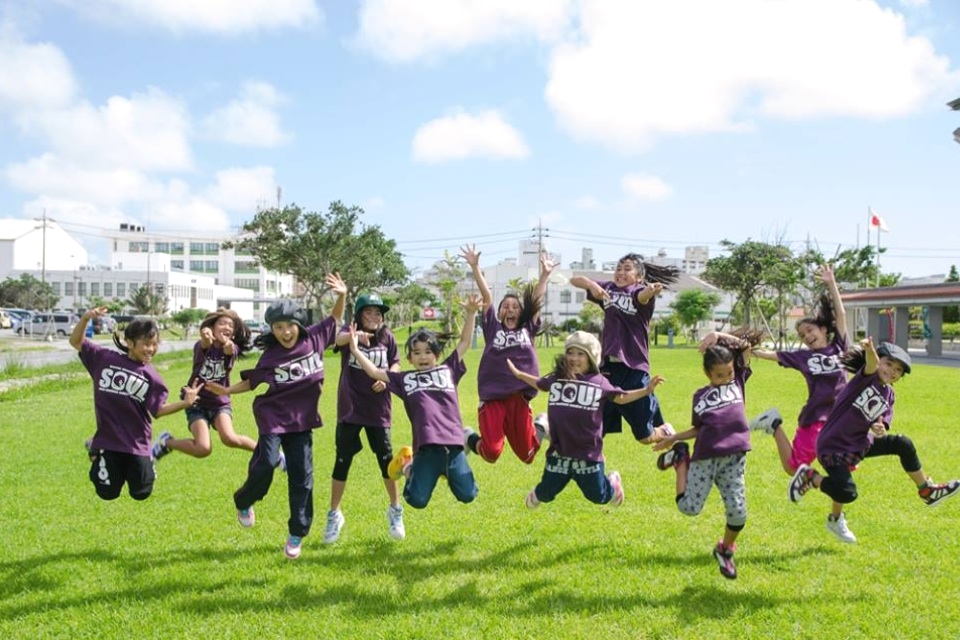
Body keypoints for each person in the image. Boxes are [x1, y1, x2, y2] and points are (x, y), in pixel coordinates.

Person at [205, 274, 347, 560]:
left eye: (289, 326)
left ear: (299, 325)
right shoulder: (270, 356)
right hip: (272, 416)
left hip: (302, 421)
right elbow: (252, 382)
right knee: (267, 463)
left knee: (302, 477)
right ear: (272, 329)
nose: (285, 332)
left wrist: (342, 295)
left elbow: (334, 318)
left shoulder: (315, 338)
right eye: (278, 327)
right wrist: (227, 389)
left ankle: (297, 533)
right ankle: (244, 500)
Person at [346, 294, 483, 522]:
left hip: (453, 446)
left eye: (428, 352)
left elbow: (464, 342)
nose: (423, 357)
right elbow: (374, 372)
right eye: (416, 353)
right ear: (409, 358)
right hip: (426, 449)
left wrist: (471, 313)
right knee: (416, 499)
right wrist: (355, 349)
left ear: (436, 355)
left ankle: (459, 448)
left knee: (469, 495)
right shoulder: (405, 379)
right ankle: (407, 463)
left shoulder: (447, 370)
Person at [788, 338, 960, 518]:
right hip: (833, 445)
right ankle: (810, 477)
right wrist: (870, 349)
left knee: (903, 443)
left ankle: (926, 490)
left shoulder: (889, 394)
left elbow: (882, 421)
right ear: (879, 361)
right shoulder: (866, 377)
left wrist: (880, 427)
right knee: (847, 493)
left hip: (857, 443)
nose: (892, 371)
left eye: (898, 370)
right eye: (889, 364)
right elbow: (872, 363)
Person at [749, 264, 855, 542]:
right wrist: (746, 350)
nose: (807, 337)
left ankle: (836, 519)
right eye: (803, 335)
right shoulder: (803, 357)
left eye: (810, 331)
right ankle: (774, 425)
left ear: (823, 329)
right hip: (816, 420)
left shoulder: (840, 347)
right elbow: (772, 356)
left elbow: (841, 314)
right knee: (792, 467)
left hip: (841, 423)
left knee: (842, 474)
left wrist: (831, 283)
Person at [507, 330, 664, 510]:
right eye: (570, 352)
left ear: (590, 358)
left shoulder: (599, 382)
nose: (574, 358)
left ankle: (613, 483)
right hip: (560, 452)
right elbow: (540, 384)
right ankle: (547, 425)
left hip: (588, 455)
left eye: (580, 354)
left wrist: (646, 391)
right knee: (546, 492)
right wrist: (519, 375)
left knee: (598, 496)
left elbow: (620, 397)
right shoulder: (558, 378)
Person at [654, 329, 762, 580]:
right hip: (705, 458)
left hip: (734, 460)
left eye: (729, 373)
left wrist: (717, 335)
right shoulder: (700, 397)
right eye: (719, 375)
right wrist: (674, 439)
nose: (726, 378)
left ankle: (725, 549)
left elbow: (745, 347)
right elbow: (698, 429)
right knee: (689, 508)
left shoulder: (737, 383)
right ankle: (681, 459)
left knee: (738, 513)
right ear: (708, 374)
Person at [71, 307, 201, 502]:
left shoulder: (152, 377)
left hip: (137, 442)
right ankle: (96, 450)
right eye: (146, 344)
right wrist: (86, 318)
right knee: (107, 493)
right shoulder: (104, 359)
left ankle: (150, 456)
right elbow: (76, 341)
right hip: (109, 440)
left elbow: (158, 411)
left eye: (155, 344)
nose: (151, 349)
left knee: (141, 492)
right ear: (129, 342)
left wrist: (186, 403)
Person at [570, 253, 679, 445]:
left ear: (639, 276)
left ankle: (664, 431)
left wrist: (650, 291)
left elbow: (642, 297)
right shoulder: (608, 288)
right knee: (595, 429)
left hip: (633, 368)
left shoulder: (638, 290)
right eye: (618, 269)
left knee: (645, 437)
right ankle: (593, 463)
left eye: (627, 269)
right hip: (607, 369)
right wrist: (591, 285)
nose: (620, 272)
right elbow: (574, 280)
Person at [459, 243, 554, 464]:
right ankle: (468, 437)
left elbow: (536, 300)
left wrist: (545, 275)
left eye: (515, 307)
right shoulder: (493, 327)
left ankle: (541, 424)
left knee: (528, 456)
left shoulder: (527, 328)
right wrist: (475, 267)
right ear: (499, 312)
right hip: (493, 398)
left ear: (522, 313)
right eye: (505, 306)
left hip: (519, 398)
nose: (510, 309)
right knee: (491, 453)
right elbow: (487, 296)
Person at [324, 292, 404, 544]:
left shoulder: (387, 336)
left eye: (378, 313)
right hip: (350, 408)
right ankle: (334, 514)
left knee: (386, 460)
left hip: (378, 409)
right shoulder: (349, 332)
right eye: (368, 312)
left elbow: (396, 363)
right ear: (359, 315)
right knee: (342, 460)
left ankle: (395, 510)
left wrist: (387, 378)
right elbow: (334, 341)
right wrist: (354, 336)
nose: (374, 316)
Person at [151, 308, 267, 465]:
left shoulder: (232, 348)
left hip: (220, 403)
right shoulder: (201, 346)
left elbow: (229, 349)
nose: (227, 327)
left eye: (230, 326)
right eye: (222, 323)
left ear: (233, 334)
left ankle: (270, 454)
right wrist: (205, 335)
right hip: (196, 402)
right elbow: (205, 344)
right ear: (212, 327)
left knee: (230, 438)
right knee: (203, 448)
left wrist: (228, 343)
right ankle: (167, 442)